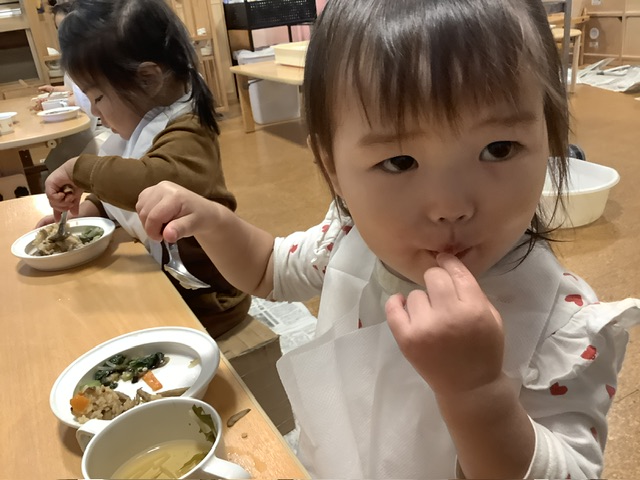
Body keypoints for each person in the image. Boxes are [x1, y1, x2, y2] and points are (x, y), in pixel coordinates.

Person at [151, 0, 640, 478]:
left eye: (498, 148)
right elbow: (267, 270)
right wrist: (213, 221)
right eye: (400, 162)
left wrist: (479, 395)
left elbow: (572, 470)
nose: (450, 206)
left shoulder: (562, 323)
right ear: (331, 168)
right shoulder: (346, 239)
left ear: (550, 141)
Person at [42, 0, 250, 338]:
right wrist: (90, 211)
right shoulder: (142, 125)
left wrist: (78, 168)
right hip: (167, 284)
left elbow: (152, 181)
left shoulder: (189, 130)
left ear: (148, 79)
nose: (95, 112)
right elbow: (124, 185)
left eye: (98, 98)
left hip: (207, 302)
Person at [35, 0, 106, 180]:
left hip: (103, 127)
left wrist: (55, 102)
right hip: (90, 123)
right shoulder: (73, 56)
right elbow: (76, 89)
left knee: (77, 161)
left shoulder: (95, 55)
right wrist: (56, 91)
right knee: (59, 155)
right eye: (59, 29)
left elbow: (88, 97)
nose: (64, 35)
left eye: (68, 28)